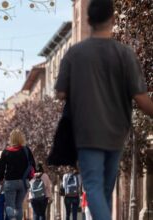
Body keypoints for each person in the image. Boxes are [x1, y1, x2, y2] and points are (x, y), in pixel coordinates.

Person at [55, 0, 153, 219]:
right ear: (113, 19)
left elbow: (60, 93)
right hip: (116, 132)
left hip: (87, 132)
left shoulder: (75, 54)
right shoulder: (125, 54)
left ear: (88, 21)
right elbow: (141, 98)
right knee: (105, 188)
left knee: (94, 187)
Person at [0, 129, 35, 220]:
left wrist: (1, 178)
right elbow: (33, 164)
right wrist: (28, 177)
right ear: (22, 138)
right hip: (23, 182)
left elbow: (1, 167)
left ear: (11, 139)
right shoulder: (26, 150)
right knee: (19, 206)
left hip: (10, 182)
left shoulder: (6, 152)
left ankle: (11, 218)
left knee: (10, 205)